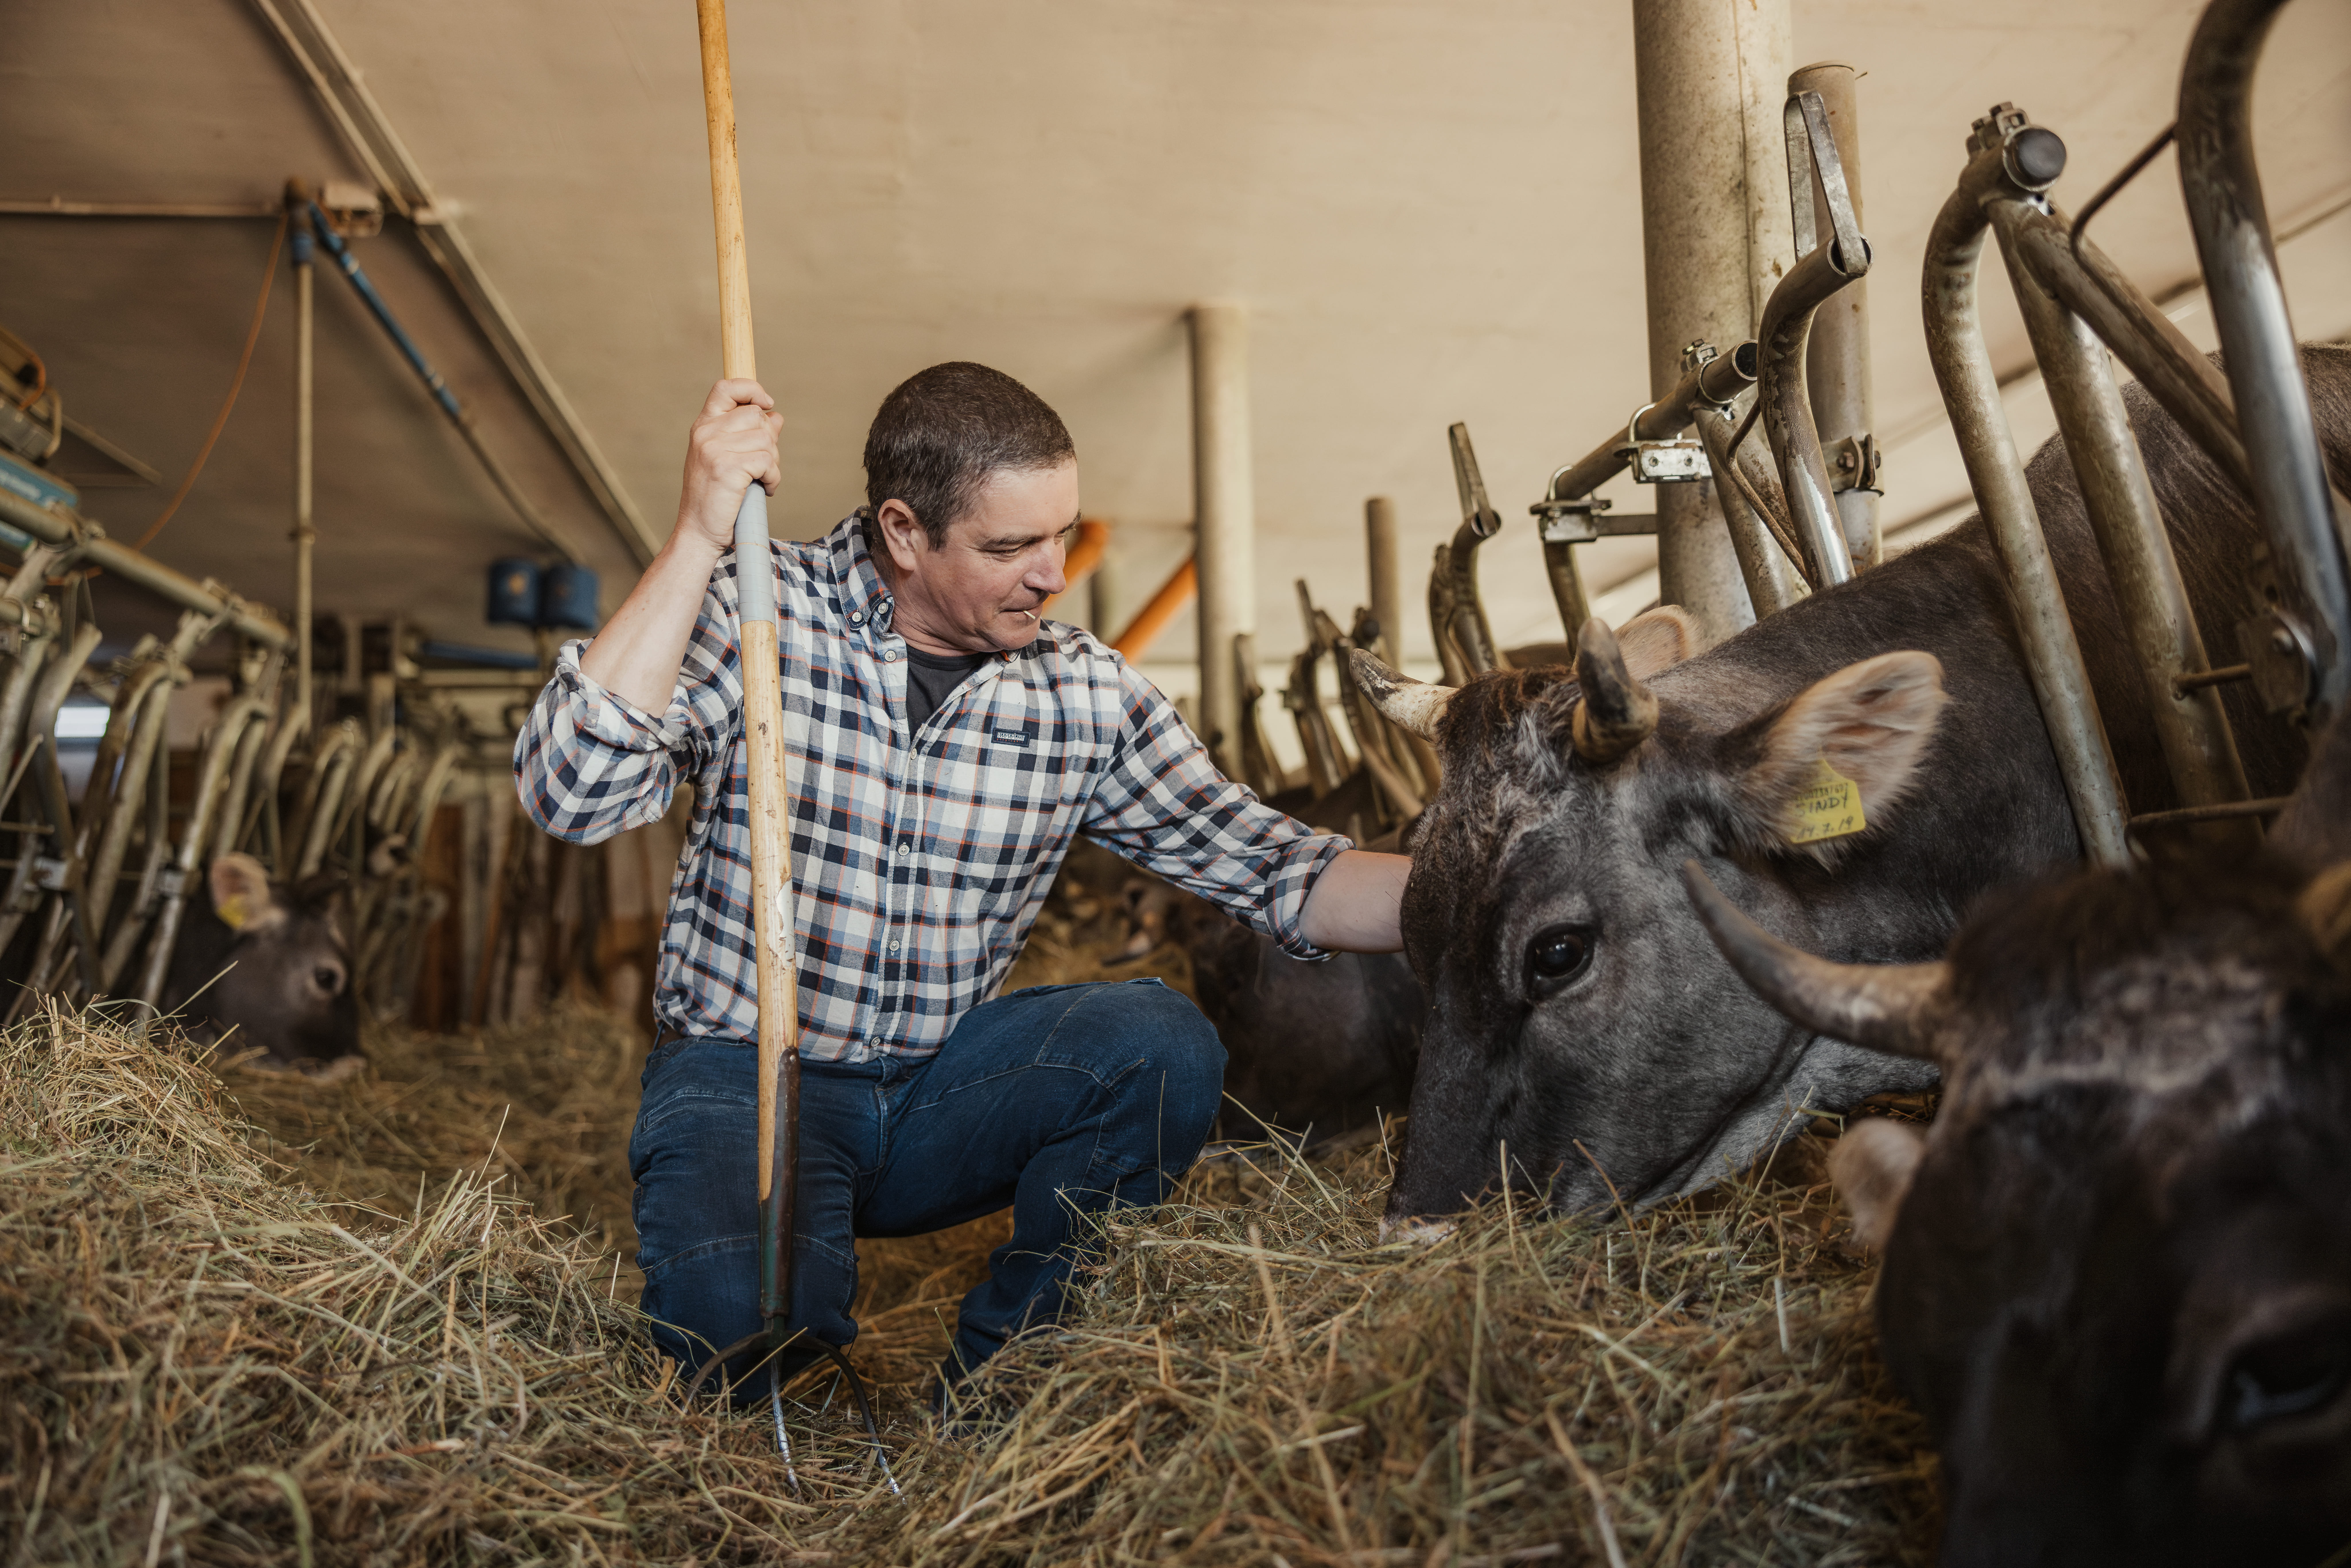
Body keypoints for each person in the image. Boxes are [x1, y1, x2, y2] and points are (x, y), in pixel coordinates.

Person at [515, 362, 1408, 1407]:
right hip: (750, 1079)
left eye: (1063, 534)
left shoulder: (1084, 693)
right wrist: (698, 537)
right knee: (743, 1360)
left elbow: (1280, 867)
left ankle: (1002, 1394)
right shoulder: (756, 613)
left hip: (941, 1092)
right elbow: (572, 793)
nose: (1052, 574)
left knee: (1159, 1043)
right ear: (904, 532)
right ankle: (775, 1341)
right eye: (1010, 547)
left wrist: (1482, 891)